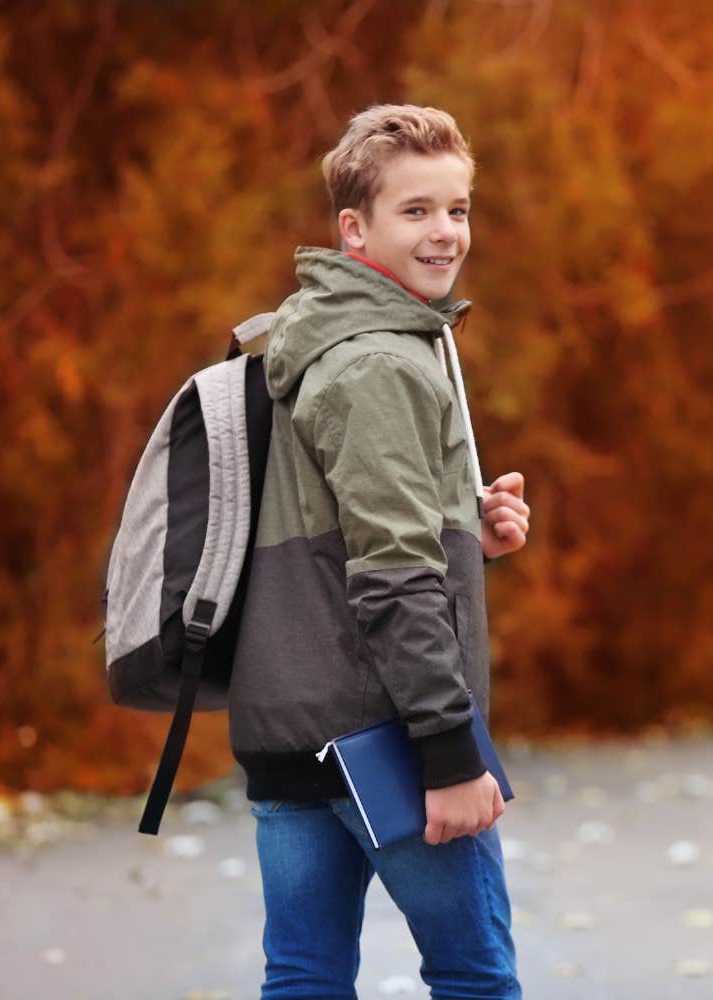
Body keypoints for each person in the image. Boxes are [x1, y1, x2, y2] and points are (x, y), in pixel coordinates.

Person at [229, 104, 530, 999]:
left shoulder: (307, 338)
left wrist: (464, 523)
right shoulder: (381, 365)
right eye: (417, 211)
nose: (446, 233)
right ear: (353, 227)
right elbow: (393, 580)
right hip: (386, 737)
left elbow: (330, 532)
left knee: (305, 978)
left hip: (290, 730)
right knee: (476, 979)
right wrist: (449, 754)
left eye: (459, 209)